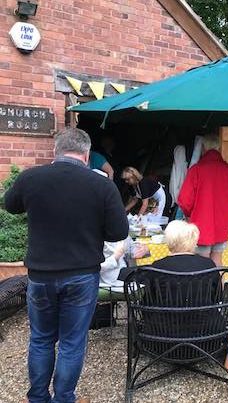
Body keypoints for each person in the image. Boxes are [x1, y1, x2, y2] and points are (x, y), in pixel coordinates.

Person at [4, 127, 129, 403]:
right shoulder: (102, 185)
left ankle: (37, 398)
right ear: (86, 155)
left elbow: (10, 205)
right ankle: (64, 399)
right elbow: (119, 232)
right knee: (72, 342)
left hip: (40, 276)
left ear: (55, 152)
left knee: (41, 339)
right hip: (82, 275)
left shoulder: (31, 178)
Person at [178, 132, 228, 266]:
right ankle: (219, 288)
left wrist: (189, 216)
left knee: (202, 264)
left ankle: (205, 288)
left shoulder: (196, 170)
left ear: (203, 148)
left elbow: (184, 201)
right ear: (219, 148)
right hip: (222, 224)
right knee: (217, 260)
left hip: (200, 225)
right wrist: (225, 209)